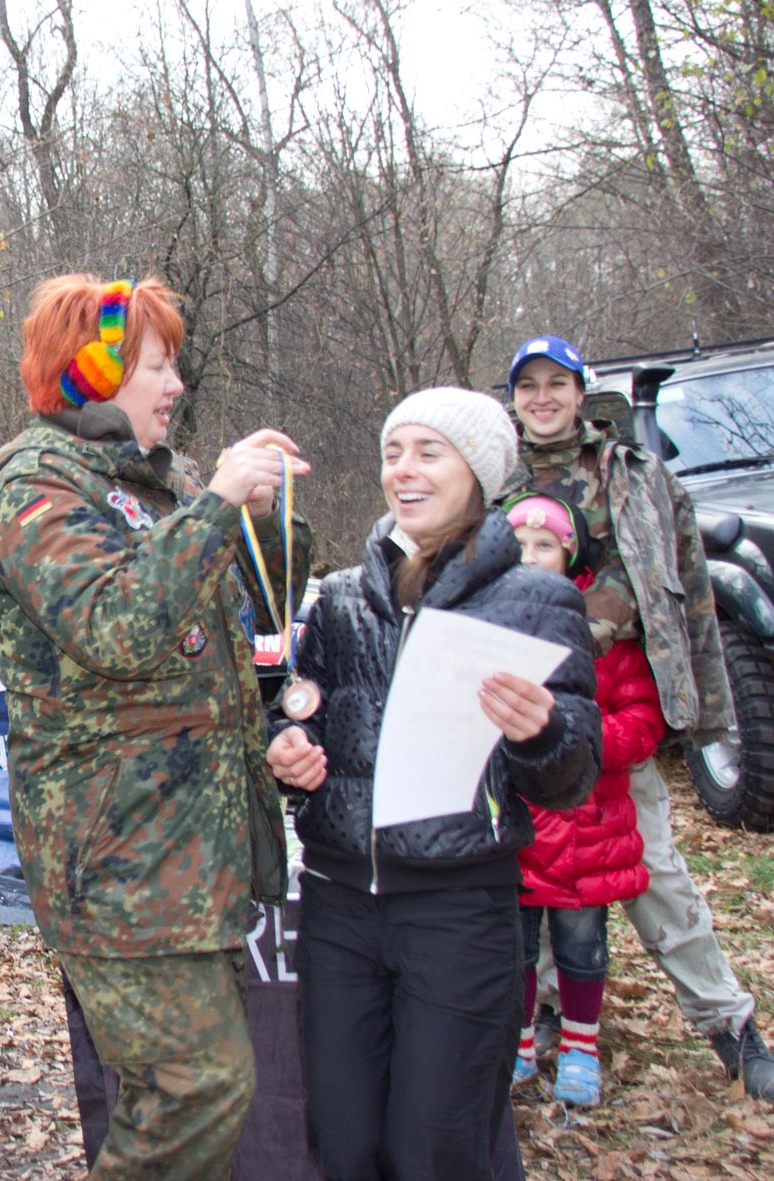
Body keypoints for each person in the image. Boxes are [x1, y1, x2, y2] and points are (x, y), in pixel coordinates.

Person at [0, 274, 311, 1178]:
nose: (176, 385)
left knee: (189, 1093)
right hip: (118, 860)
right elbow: (115, 626)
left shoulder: (167, 483)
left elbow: (246, 615)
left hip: (197, 852)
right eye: (156, 366)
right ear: (90, 370)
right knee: (198, 1087)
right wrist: (216, 507)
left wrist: (265, 517)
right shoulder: (37, 487)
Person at [267, 387, 601, 1181]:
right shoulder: (342, 597)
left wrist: (541, 731)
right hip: (340, 910)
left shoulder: (535, 599)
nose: (404, 470)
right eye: (393, 453)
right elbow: (301, 714)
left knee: (434, 1152)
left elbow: (572, 775)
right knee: (345, 1144)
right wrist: (288, 749)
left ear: (478, 471)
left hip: (460, 913)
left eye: (428, 452)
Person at [503, 334, 774, 1097]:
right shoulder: (496, 480)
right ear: (514, 398)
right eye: (529, 386)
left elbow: (683, 587)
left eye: (557, 383)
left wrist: (701, 704)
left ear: (581, 391)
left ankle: (729, 1023)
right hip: (523, 715)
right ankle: (551, 1013)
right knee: (536, 875)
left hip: (613, 707)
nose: (543, 398)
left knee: (652, 872)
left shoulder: (635, 474)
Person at [506, 493, 660, 1106]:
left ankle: (579, 1048)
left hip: (584, 825)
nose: (530, 556)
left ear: (571, 555)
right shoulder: (491, 625)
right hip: (516, 826)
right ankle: (518, 1044)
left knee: (581, 946)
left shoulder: (605, 638)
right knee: (514, 948)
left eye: (544, 545)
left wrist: (583, 739)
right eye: (518, 545)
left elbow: (642, 721)